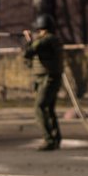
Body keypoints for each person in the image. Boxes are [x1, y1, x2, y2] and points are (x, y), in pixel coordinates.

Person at [23, 14, 64, 150]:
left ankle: (49, 139)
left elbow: (28, 52)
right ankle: (55, 138)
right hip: (47, 78)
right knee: (48, 108)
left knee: (39, 107)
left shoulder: (46, 40)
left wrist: (28, 40)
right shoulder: (51, 39)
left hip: (48, 78)